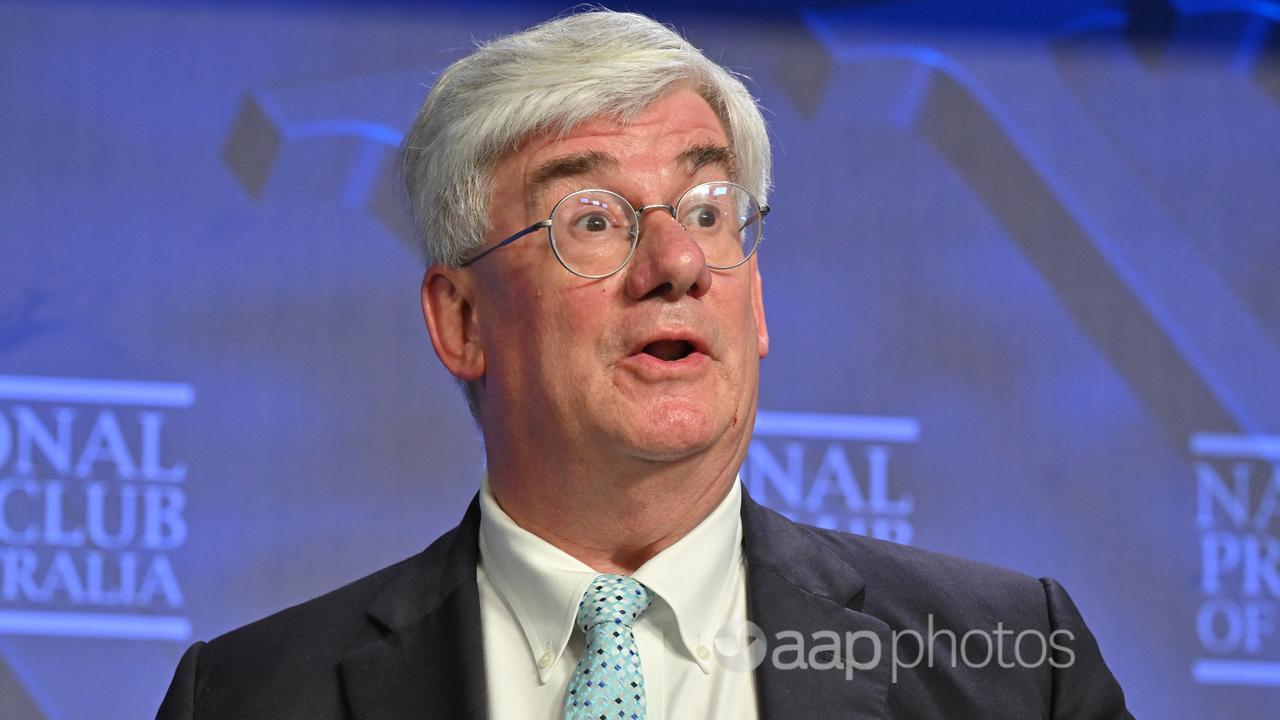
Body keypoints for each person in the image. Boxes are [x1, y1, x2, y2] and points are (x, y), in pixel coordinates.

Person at [157, 10, 1132, 719]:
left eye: (708, 211)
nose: (673, 266)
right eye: (592, 221)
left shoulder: (1010, 673)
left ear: (754, 299)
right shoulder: (251, 698)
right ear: (460, 321)